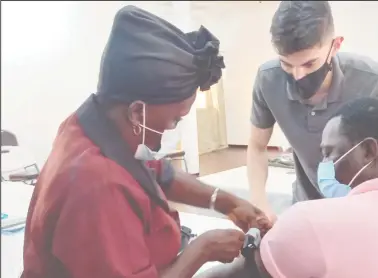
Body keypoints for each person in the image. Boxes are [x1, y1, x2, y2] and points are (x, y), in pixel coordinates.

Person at [21, 6, 272, 278]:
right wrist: (203, 249)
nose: (172, 129)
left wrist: (226, 202)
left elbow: (158, 173)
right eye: (174, 119)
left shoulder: (96, 124)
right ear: (137, 112)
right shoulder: (97, 185)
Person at [198, 97, 378, 277]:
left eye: (329, 153)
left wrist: (201, 250)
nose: (324, 165)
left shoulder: (310, 222)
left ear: (368, 151)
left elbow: (232, 275)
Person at [247, 1, 378, 220]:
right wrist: (259, 204)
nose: (298, 76)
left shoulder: (370, 81)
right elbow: (257, 146)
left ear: (335, 46)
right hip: (306, 207)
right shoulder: (268, 81)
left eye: (309, 64)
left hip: (363, 211)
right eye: (287, 65)